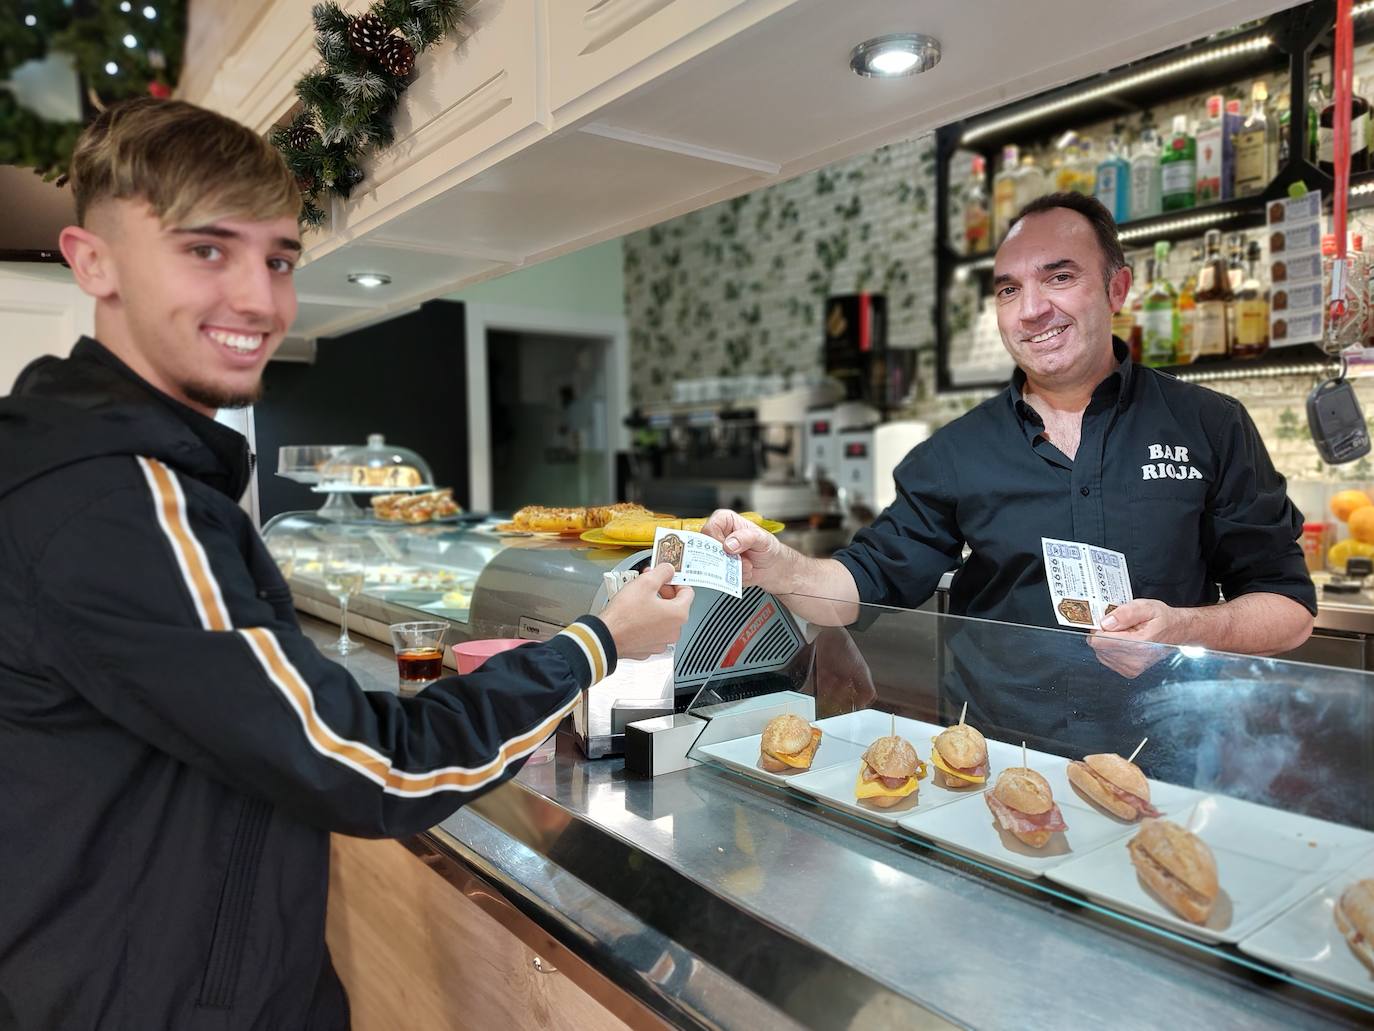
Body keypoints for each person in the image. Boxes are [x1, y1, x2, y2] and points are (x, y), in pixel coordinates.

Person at [0, 98, 692, 1030]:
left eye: (279, 258)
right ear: (93, 260)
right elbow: (375, 768)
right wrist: (600, 641)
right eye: (207, 250)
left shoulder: (93, 464)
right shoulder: (122, 501)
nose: (259, 298)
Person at [705, 193, 1315, 747]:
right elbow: (859, 587)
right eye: (1007, 290)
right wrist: (779, 567)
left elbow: (1288, 611)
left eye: (1060, 276)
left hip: (1170, 761)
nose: (1031, 310)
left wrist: (1183, 627)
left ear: (1117, 288)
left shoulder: (1209, 425)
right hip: (995, 764)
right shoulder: (956, 452)